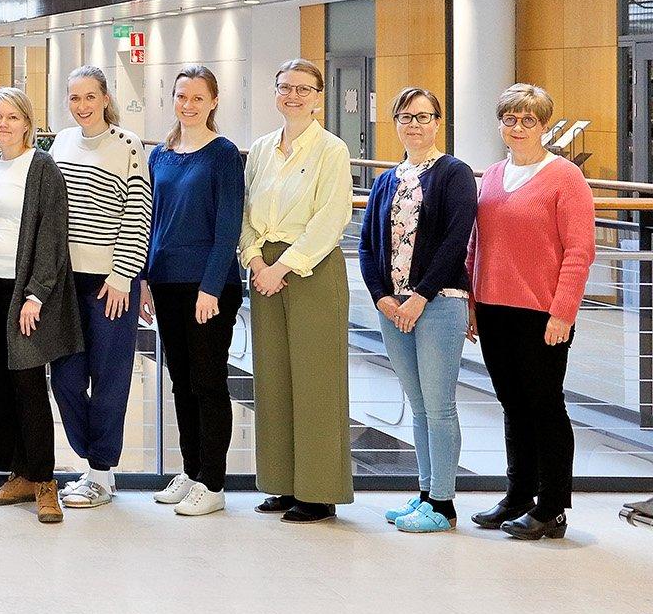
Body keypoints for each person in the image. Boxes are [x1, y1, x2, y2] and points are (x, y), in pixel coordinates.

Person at [468, 83, 596, 541]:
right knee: (512, 405)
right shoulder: (495, 175)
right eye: (510, 119)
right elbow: (476, 244)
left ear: (544, 126)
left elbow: (580, 251)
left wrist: (563, 312)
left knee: (545, 407)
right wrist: (472, 302)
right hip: (494, 307)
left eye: (528, 120)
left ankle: (552, 507)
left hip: (542, 313)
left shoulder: (564, 177)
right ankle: (518, 495)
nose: (518, 127)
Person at [358, 87, 476, 534]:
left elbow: (455, 241)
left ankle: (443, 504)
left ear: (438, 122)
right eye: (406, 117)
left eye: (424, 116)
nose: (415, 124)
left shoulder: (455, 173)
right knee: (420, 405)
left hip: (439, 304)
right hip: (393, 309)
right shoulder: (388, 179)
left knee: (440, 406)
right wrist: (382, 297)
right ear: (395, 123)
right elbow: (368, 244)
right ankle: (426, 492)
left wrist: (420, 296)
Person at [243, 58, 354, 524]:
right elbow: (245, 210)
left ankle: (318, 490)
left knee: (316, 382)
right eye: (285, 87)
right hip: (263, 268)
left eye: (303, 89)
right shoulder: (261, 148)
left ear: (318, 96)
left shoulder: (332, 150)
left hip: (310, 272)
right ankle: (283, 483)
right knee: (273, 381)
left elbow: (331, 218)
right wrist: (253, 258)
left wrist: (284, 265)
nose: (293, 96)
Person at [140, 65, 245, 518]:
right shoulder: (161, 154)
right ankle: (190, 469)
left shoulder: (222, 154)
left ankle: (213, 481)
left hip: (209, 287)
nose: (188, 105)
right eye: (181, 96)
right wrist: (144, 276)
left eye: (197, 97)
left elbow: (228, 227)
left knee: (207, 382)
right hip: (166, 281)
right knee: (180, 382)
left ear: (213, 101)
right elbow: (152, 218)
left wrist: (210, 287)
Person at [0, 87, 81, 525]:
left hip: (26, 294)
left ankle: (45, 482)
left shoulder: (42, 167)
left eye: (12, 117)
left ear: (28, 123)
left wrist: (35, 294)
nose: (3, 124)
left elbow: (53, 235)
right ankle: (18, 472)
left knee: (29, 386)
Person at [49, 66, 151, 510]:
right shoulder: (61, 143)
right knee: (66, 378)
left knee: (110, 379)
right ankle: (91, 461)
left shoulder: (128, 145)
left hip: (112, 282)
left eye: (90, 97)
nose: (83, 106)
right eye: (75, 98)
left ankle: (101, 473)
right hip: (65, 282)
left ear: (105, 98)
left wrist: (123, 275)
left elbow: (139, 211)